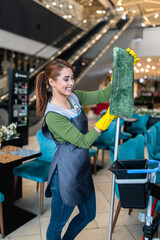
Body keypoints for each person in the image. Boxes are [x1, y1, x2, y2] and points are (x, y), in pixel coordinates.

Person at [35, 53, 136, 239]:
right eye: (66, 79)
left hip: (81, 168)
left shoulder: (74, 97)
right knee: (57, 224)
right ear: (51, 82)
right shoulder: (53, 115)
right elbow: (83, 141)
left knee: (89, 215)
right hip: (65, 174)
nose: (71, 83)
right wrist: (104, 121)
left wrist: (121, 72)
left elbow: (104, 94)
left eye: (72, 78)